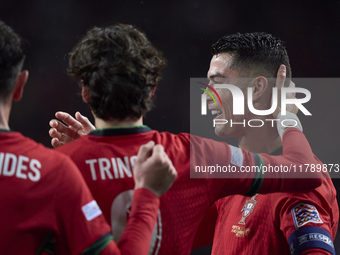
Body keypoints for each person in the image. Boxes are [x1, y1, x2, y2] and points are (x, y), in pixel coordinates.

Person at [48, 24, 325, 255]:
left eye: (217, 81)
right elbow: (161, 229)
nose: (206, 95)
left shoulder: (54, 170)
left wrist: (98, 153)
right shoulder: (201, 160)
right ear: (152, 90)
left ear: (85, 92)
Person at [0, 20, 178, 255]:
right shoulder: (51, 172)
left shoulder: (61, 166)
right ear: (20, 84)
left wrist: (97, 150)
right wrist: (146, 196)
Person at [192, 32, 338, 255]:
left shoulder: (299, 185)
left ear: (257, 89)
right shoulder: (235, 176)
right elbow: (167, 235)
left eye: (218, 82)